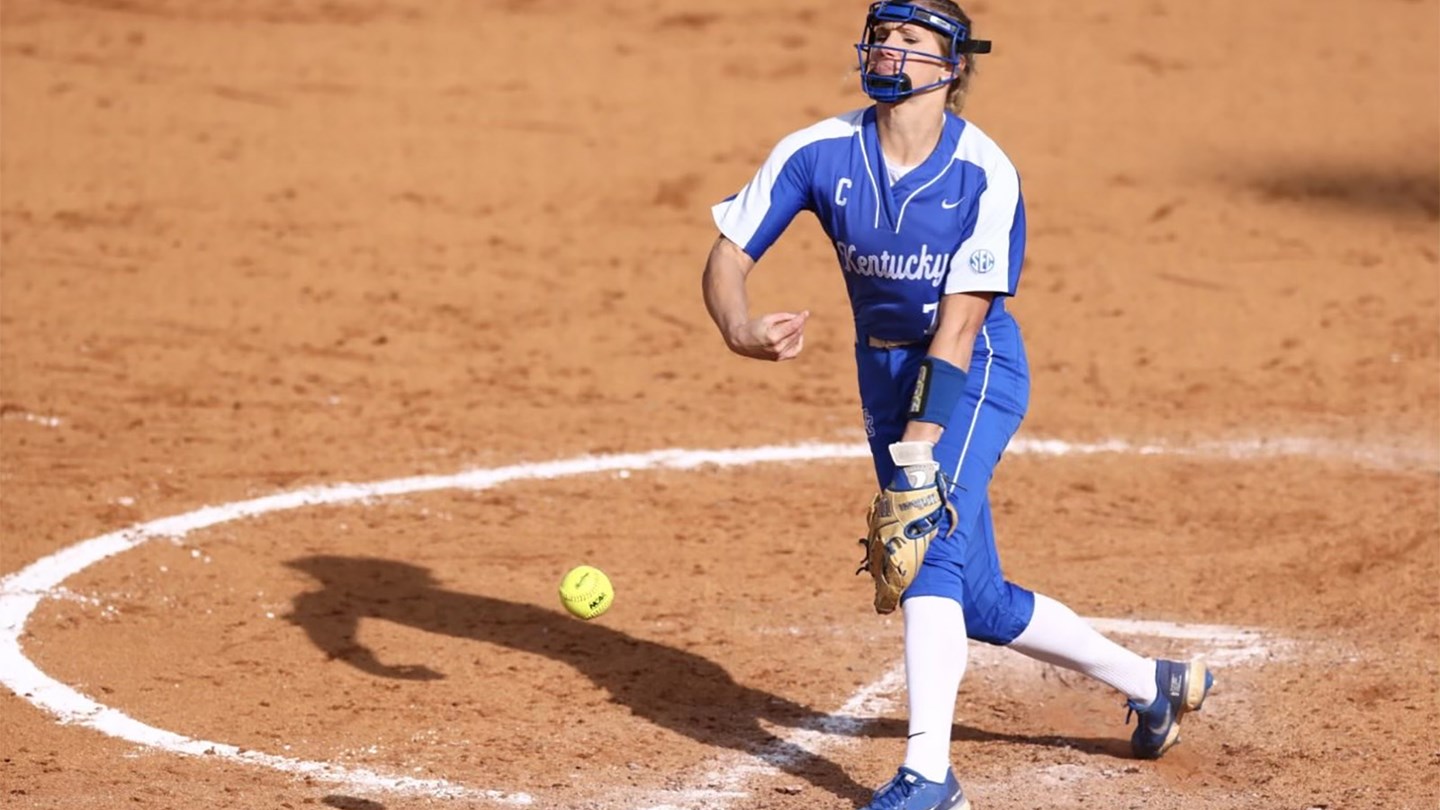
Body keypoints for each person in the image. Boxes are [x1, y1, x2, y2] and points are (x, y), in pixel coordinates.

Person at [701, 3, 1215, 809]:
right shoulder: (817, 151)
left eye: (911, 41)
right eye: (882, 37)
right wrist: (738, 328)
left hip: (972, 369)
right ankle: (1156, 685)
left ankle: (929, 777)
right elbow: (729, 255)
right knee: (975, 597)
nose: (889, 51)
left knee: (927, 540)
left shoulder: (984, 172)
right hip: (882, 374)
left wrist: (918, 453)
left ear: (953, 66)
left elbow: (961, 326)